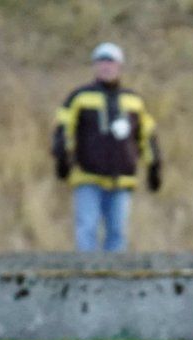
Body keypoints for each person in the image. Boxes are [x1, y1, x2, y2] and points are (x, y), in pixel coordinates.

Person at [52, 42, 161, 252]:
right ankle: (85, 279)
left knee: (118, 232)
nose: (106, 67)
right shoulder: (80, 97)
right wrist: (62, 158)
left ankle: (117, 282)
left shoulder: (134, 100)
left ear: (119, 67)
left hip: (122, 178)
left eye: (110, 63)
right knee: (87, 229)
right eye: (101, 63)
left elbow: (147, 135)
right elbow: (64, 129)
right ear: (94, 67)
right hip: (87, 177)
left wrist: (154, 166)